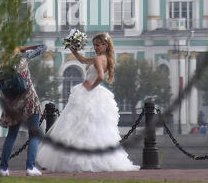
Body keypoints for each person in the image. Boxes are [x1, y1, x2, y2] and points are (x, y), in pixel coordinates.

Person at [36, 33, 140, 172]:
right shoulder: (106, 58)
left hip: (88, 92)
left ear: (105, 45)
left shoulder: (98, 59)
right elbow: (84, 60)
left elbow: (101, 76)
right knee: (92, 127)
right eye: (94, 45)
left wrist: (91, 86)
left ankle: (78, 159)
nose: (95, 47)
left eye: (97, 45)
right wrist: (74, 51)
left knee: (77, 124)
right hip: (95, 94)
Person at [0, 43, 47, 177]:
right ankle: (30, 167)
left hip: (12, 104)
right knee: (34, 134)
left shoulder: (3, 65)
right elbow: (43, 47)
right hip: (29, 100)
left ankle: (3, 168)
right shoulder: (24, 57)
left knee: (11, 135)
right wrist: (24, 48)